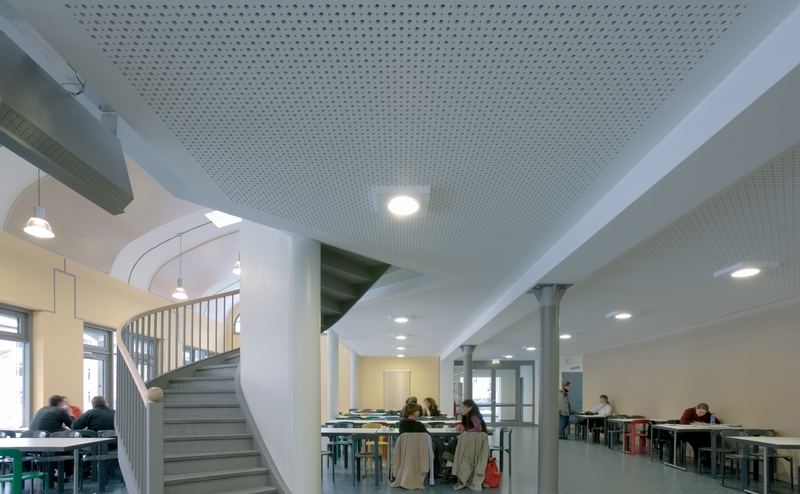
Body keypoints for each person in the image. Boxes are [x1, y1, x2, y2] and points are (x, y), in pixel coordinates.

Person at [440, 399, 487, 482]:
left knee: (452, 444)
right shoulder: (467, 417)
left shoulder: (474, 416)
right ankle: (450, 470)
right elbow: (465, 430)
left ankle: (450, 470)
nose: (461, 409)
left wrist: (466, 433)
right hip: (470, 442)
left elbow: (478, 428)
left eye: (463, 407)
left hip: (476, 443)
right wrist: (462, 431)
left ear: (470, 407)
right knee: (453, 444)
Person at [398, 402, 445, 474]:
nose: (419, 412)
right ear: (413, 412)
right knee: (437, 442)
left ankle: (439, 467)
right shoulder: (418, 425)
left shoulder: (401, 424)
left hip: (406, 448)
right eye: (417, 411)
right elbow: (428, 436)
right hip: (419, 448)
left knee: (435, 443)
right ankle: (441, 466)